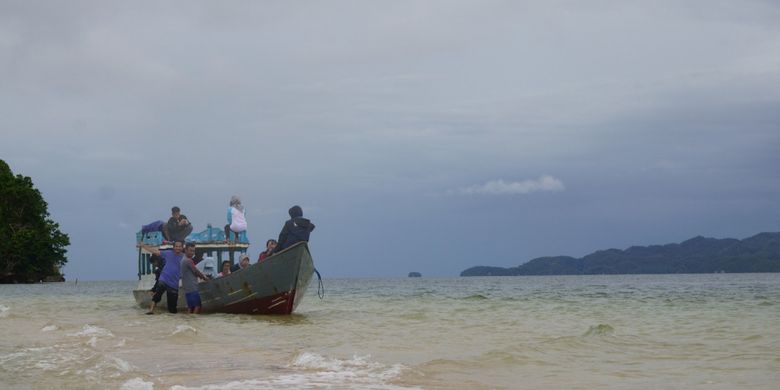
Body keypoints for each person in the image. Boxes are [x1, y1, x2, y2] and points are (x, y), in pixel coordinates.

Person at [139, 240, 185, 314]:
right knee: (157, 295)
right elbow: (155, 251)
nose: (178, 248)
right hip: (164, 278)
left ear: (182, 247)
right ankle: (151, 310)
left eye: (180, 246)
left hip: (174, 283)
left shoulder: (184, 257)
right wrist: (143, 246)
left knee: (172, 308)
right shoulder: (168, 253)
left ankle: (173, 320)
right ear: (173, 247)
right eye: (176, 246)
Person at [180, 242, 210, 314]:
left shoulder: (183, 259)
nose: (192, 253)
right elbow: (196, 271)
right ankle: (194, 322)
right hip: (192, 287)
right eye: (190, 250)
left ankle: (189, 322)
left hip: (187, 288)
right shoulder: (188, 261)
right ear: (186, 250)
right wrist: (205, 278)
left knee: (191, 307)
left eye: (193, 251)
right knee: (197, 306)